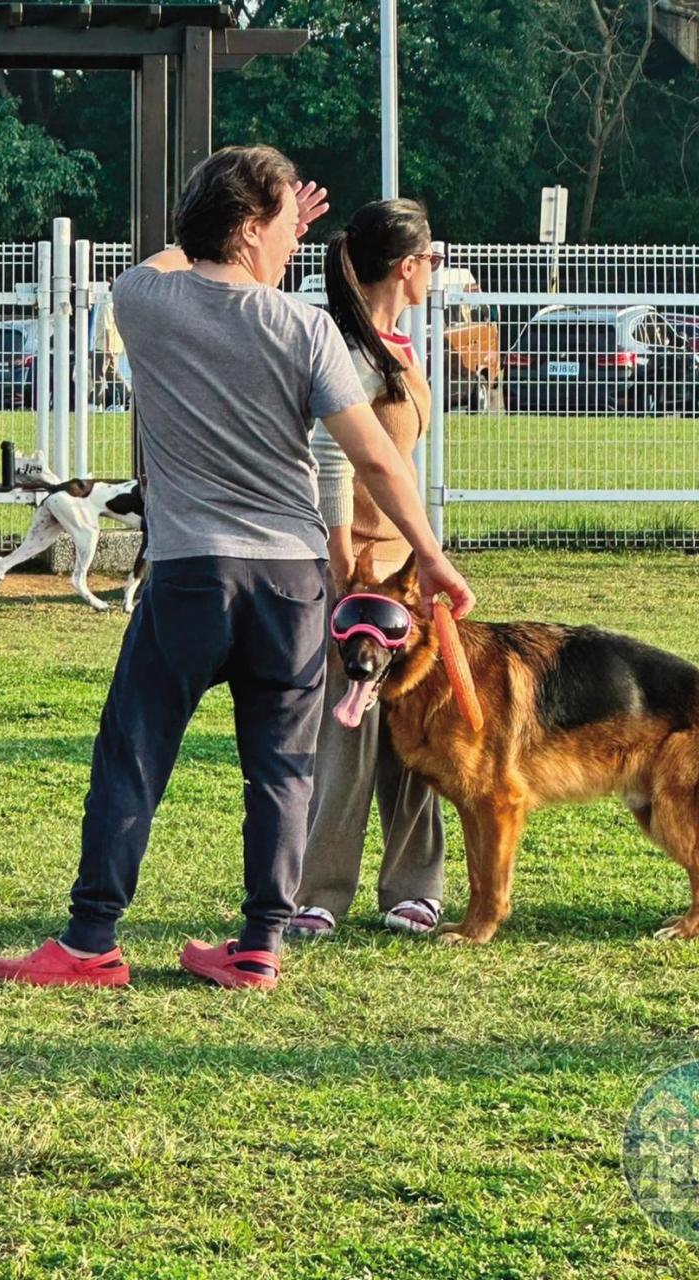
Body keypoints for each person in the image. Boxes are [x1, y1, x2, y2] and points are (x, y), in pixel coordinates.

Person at [0, 145, 474, 992]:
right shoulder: (306, 327)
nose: (299, 240)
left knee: (134, 755)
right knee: (283, 768)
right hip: (290, 582)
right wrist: (429, 556)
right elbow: (376, 459)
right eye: (287, 223)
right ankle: (258, 948)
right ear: (250, 228)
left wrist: (231, 224)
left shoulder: (145, 299)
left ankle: (91, 943)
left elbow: (173, 256)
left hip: (191, 575)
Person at [288, 199, 446, 941]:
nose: (436, 272)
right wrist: (346, 562)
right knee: (349, 728)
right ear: (405, 266)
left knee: (414, 721)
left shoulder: (397, 348)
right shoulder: (346, 347)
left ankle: (414, 886)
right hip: (361, 570)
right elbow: (331, 459)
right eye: (432, 260)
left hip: (403, 571)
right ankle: (321, 890)